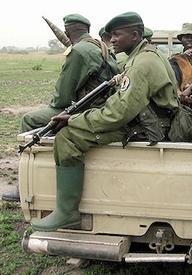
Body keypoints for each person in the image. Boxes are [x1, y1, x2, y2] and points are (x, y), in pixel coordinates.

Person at [31, 11, 179, 232]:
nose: (112, 40)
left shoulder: (141, 63)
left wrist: (74, 119)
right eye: (111, 35)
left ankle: (67, 212)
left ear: (135, 35)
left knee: (68, 137)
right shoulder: (146, 55)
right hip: (152, 121)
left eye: (117, 35)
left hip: (149, 128)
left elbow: (118, 113)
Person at [1, 14, 119, 202]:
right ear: (86, 29)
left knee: (29, 119)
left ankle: (24, 185)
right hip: (100, 106)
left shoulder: (78, 51)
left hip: (84, 108)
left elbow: (62, 97)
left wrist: (54, 106)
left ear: (67, 32)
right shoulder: (101, 47)